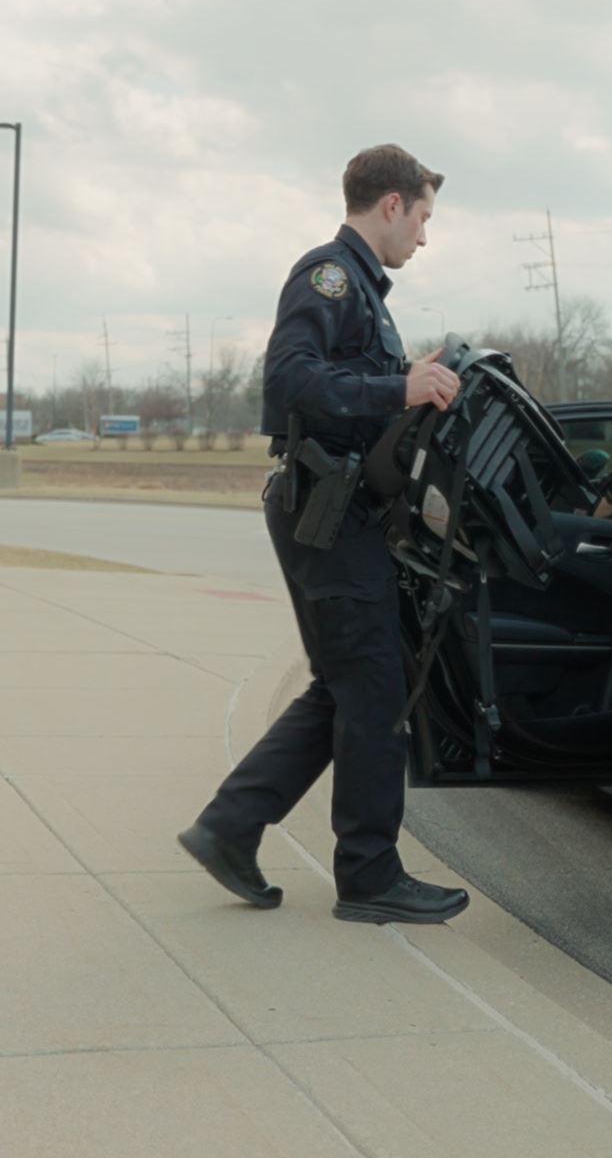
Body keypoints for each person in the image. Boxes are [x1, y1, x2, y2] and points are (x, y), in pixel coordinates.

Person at [177, 144, 471, 925]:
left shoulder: (365, 296)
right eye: (424, 218)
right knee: (374, 687)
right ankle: (369, 876)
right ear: (391, 205)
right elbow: (287, 379)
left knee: (345, 682)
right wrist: (397, 384)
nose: (424, 237)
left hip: (332, 510)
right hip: (326, 511)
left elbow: (343, 389)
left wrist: (411, 380)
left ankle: (228, 828)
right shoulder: (330, 276)